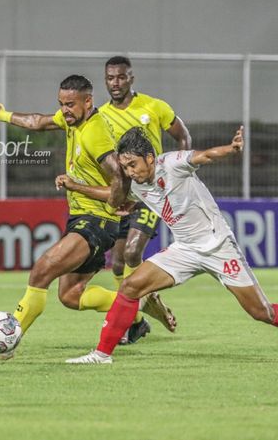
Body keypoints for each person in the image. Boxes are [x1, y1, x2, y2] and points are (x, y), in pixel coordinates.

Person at [66, 127, 278, 364]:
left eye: (133, 165)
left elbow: (205, 155)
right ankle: (102, 354)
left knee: (261, 312)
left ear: (149, 158)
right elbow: (113, 196)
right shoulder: (137, 184)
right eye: (125, 167)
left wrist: (231, 149)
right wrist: (77, 187)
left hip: (218, 247)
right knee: (130, 286)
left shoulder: (171, 164)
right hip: (184, 250)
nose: (130, 172)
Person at [0, 75, 174, 361]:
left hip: (96, 221)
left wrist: (111, 201)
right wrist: (3, 114)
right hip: (84, 219)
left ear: (88, 102)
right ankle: (137, 307)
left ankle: (3, 348)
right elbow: (38, 122)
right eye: (61, 104)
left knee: (41, 271)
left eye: (70, 104)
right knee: (71, 296)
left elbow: (119, 177)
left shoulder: (95, 131)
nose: (64, 110)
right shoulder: (73, 120)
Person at [99, 56, 191, 342]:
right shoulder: (101, 115)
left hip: (152, 195)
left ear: (131, 79)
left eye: (121, 77)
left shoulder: (153, 106)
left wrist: (180, 174)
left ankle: (132, 315)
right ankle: (140, 317)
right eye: (110, 78)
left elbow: (183, 136)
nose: (116, 83)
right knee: (116, 263)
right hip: (122, 198)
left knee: (131, 253)